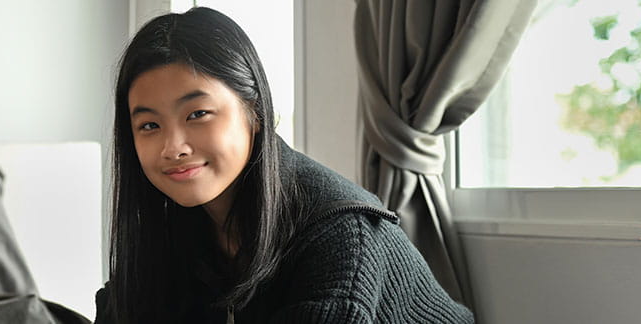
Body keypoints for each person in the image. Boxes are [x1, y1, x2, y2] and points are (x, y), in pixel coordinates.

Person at [95, 7, 473, 323]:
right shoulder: (177, 225)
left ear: (255, 112)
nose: (172, 147)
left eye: (198, 114)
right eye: (149, 125)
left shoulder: (341, 234)